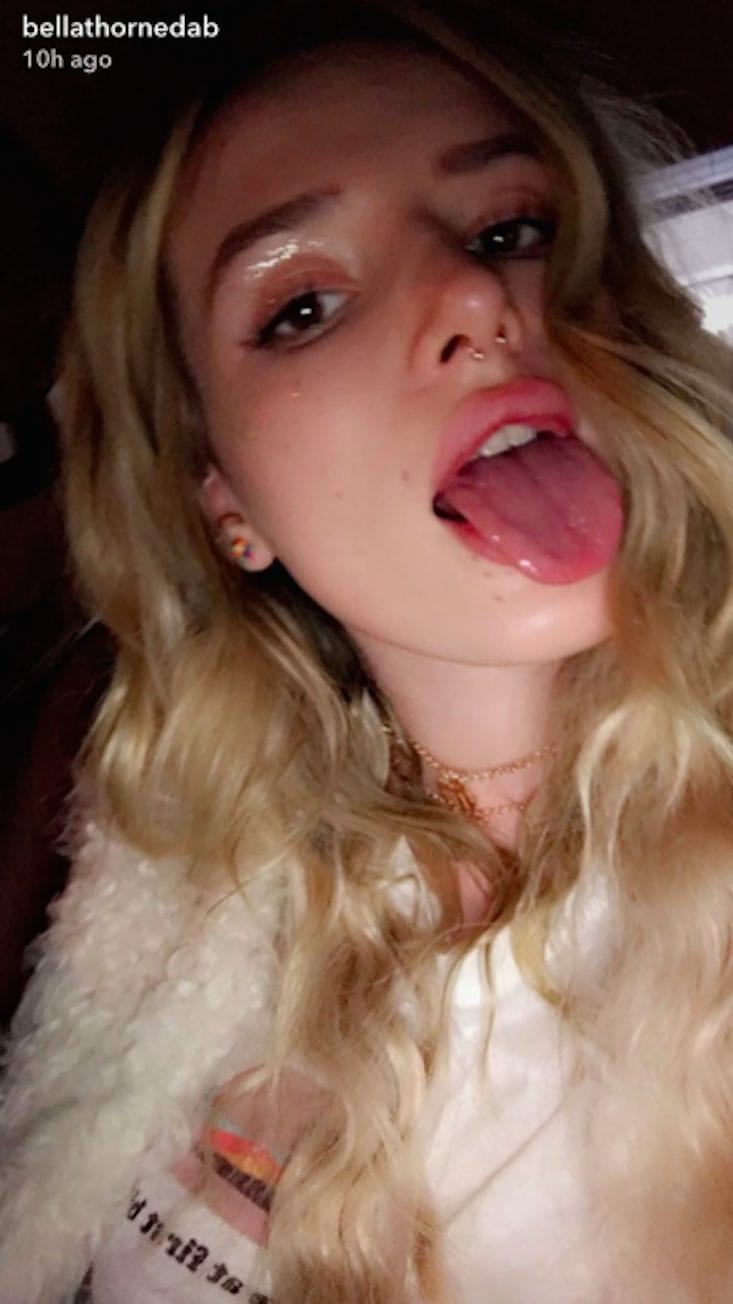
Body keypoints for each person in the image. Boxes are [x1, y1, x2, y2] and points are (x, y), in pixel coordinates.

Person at [2, 1, 732, 1300]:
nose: (475, 295)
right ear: (223, 499)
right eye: (302, 306)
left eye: (511, 230)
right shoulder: (176, 872)